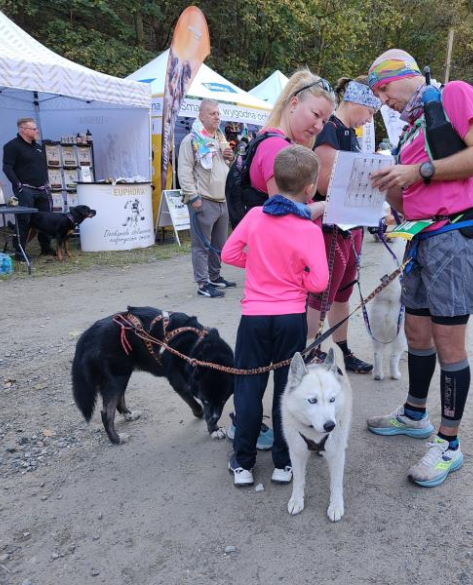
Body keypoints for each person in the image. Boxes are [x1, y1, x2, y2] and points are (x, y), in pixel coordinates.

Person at [365, 49, 473, 487]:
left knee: (448, 340)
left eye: (383, 87)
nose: (381, 98)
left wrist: (418, 171)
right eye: (375, 93)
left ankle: (449, 444)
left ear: (405, 75)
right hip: (420, 238)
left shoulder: (454, 94)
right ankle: (414, 414)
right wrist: (386, 189)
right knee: (417, 333)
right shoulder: (408, 133)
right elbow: (409, 202)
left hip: (456, 236)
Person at [221, 146, 329, 487]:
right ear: (310, 188)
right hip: (290, 317)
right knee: (288, 389)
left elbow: (228, 253)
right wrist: (296, 278)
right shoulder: (309, 229)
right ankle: (284, 463)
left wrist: (254, 265)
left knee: (248, 387)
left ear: (274, 180)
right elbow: (320, 281)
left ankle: (243, 463)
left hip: (253, 317)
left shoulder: (254, 217)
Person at [306, 76, 381, 374]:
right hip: (329, 225)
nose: (370, 118)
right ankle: (310, 349)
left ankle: (341, 349)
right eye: (371, 112)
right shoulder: (330, 130)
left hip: (351, 225)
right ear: (357, 101)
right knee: (321, 293)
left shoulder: (350, 132)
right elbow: (322, 183)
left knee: (343, 292)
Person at [240, 69, 336, 218]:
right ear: (294, 104)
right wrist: (323, 206)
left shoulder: (270, 139)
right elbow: (285, 217)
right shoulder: (277, 148)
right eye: (316, 114)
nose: (319, 126)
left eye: (324, 121)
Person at [178, 99, 236, 298]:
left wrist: (230, 157)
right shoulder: (192, 140)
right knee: (202, 245)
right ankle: (203, 284)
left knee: (218, 244)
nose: (217, 116)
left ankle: (215, 276)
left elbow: (224, 167)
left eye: (218, 113)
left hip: (221, 200)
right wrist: (193, 196)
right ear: (201, 116)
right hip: (203, 199)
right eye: (212, 113)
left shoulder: (220, 138)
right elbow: (184, 171)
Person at [2, 117, 54, 260]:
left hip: (42, 189)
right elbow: (7, 167)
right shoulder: (11, 146)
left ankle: (46, 248)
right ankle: (19, 252)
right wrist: (17, 184)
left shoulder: (37, 147)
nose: (37, 131)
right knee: (24, 220)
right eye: (34, 129)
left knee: (45, 219)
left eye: (36, 128)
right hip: (25, 189)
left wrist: (46, 182)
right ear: (23, 130)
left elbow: (40, 167)